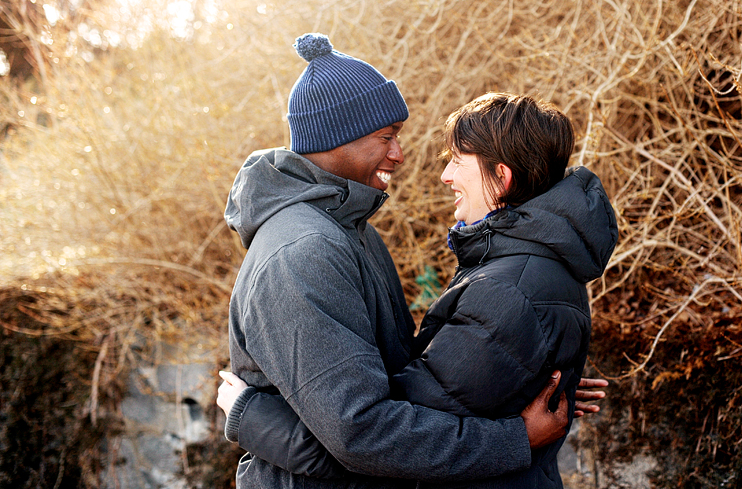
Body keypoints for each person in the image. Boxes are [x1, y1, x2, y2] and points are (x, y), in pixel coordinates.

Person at [222, 34, 611, 489]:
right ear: (334, 140)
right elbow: (363, 434)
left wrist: (513, 381)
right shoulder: (302, 254)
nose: (399, 155)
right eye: (385, 138)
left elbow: (392, 397)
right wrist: (515, 434)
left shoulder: (355, 234)